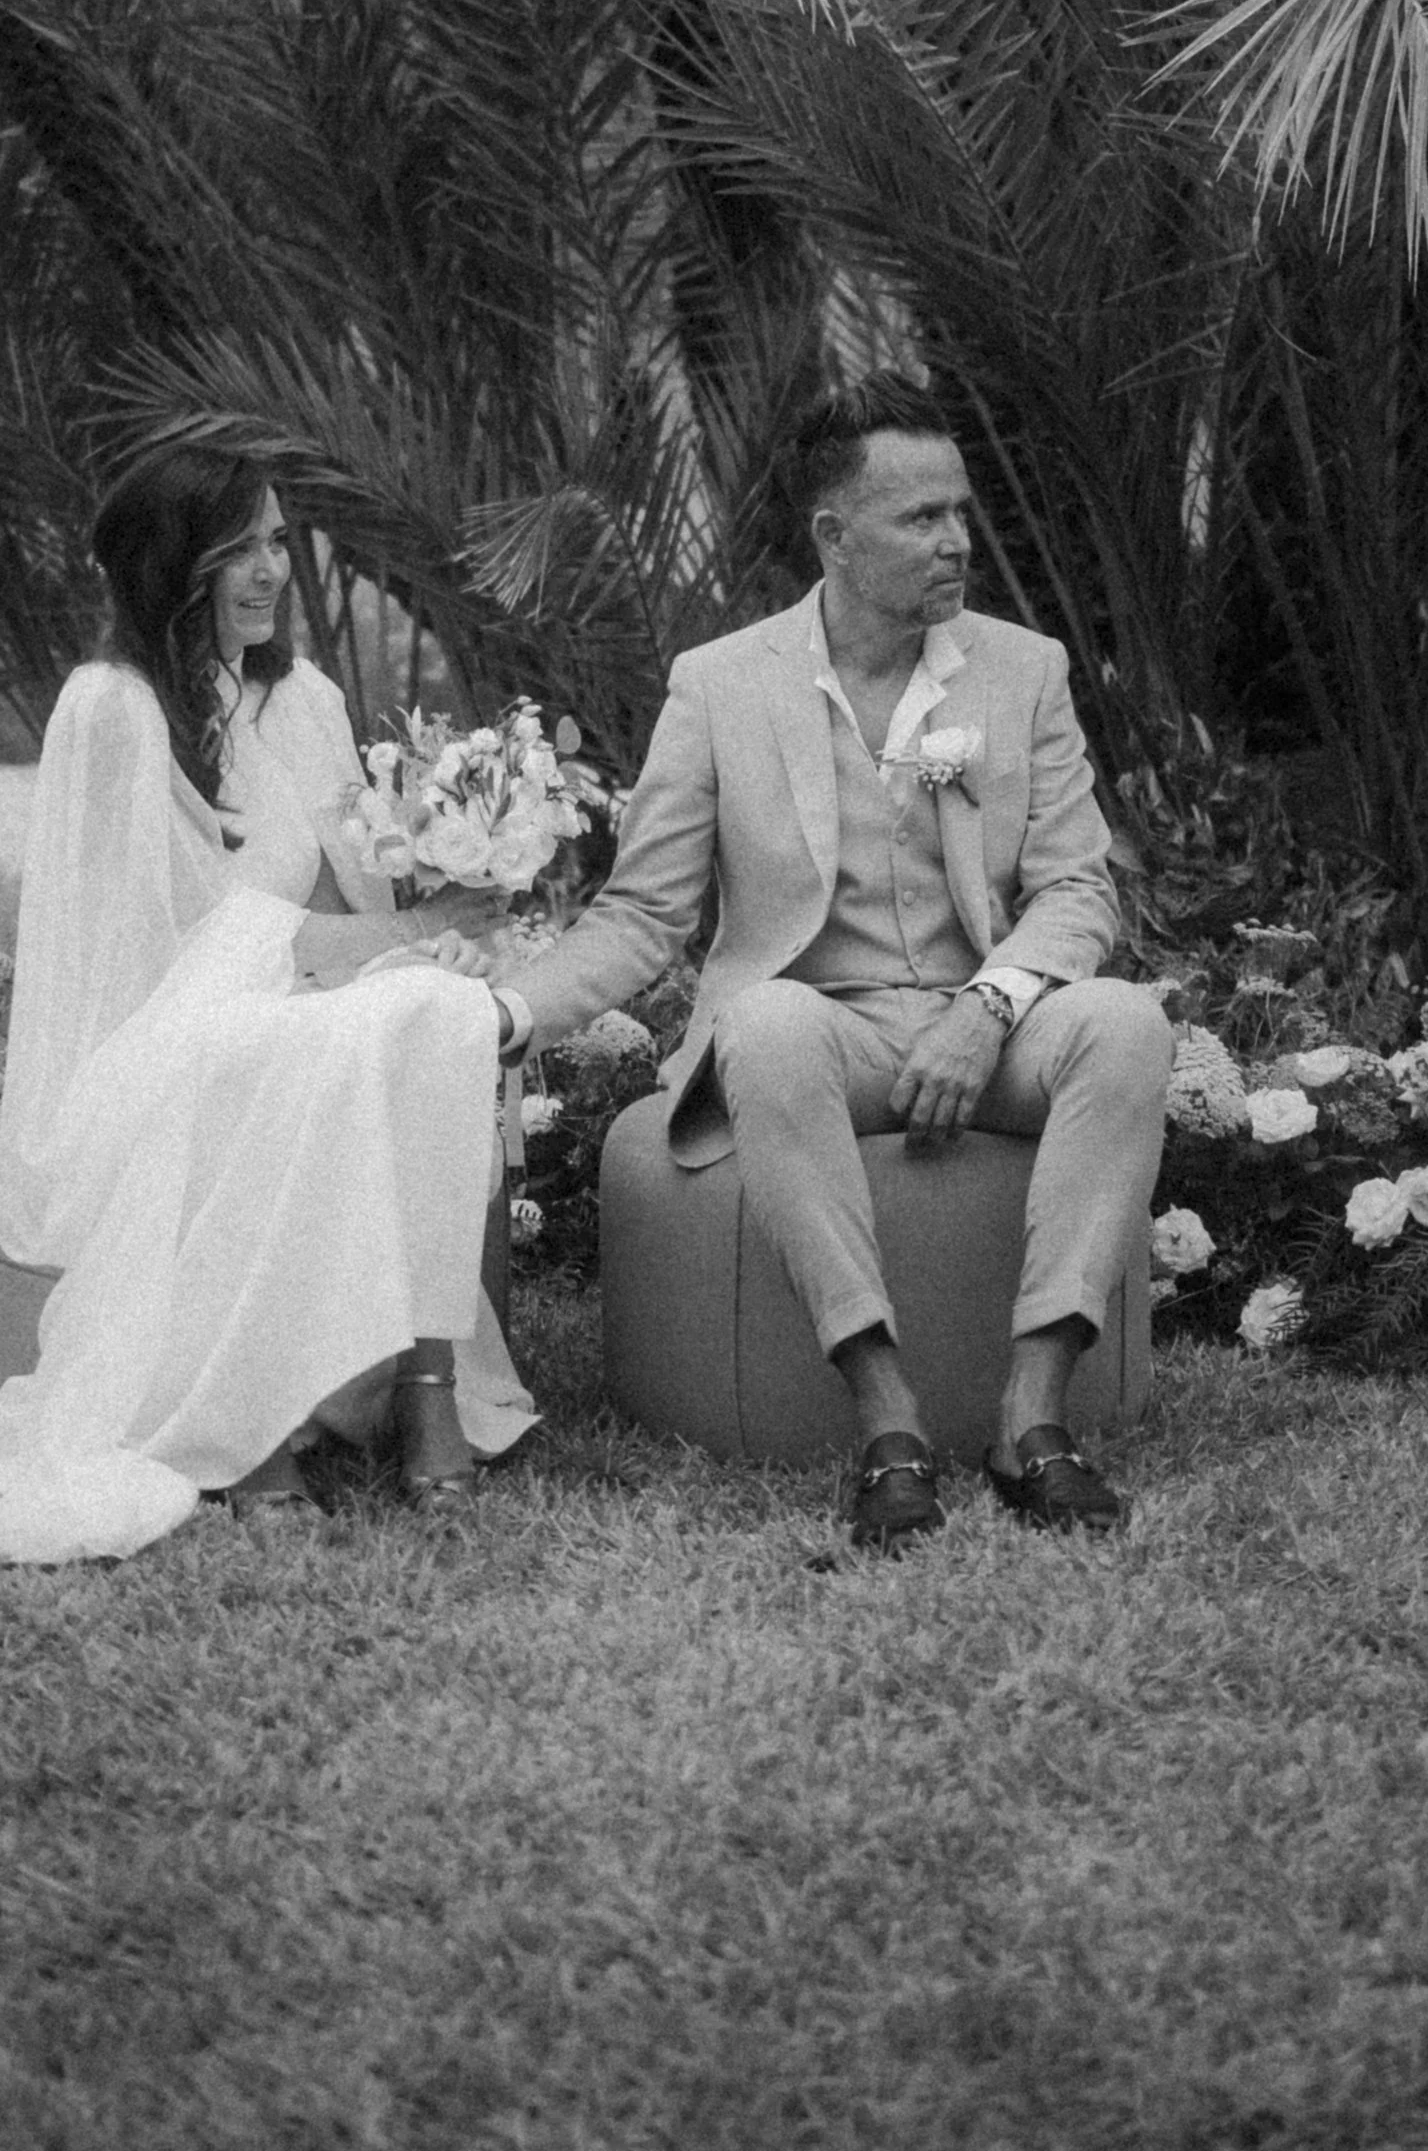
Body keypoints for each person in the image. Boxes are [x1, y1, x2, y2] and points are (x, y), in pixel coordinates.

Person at [0, 444, 535, 1569]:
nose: (268, 572)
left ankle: (428, 1383)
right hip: (156, 1035)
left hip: (288, 996)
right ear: (172, 566)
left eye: (274, 544)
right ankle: (246, 1424)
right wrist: (378, 947)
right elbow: (163, 947)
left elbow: (354, 898)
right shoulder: (110, 708)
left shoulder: (303, 699)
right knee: (281, 1044)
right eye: (235, 550)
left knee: (433, 1014)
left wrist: (444, 914)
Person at [499, 379, 1171, 1549]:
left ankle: (1032, 1412)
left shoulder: (1024, 669)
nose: (957, 542)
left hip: (992, 1028)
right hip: (822, 1034)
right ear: (834, 535)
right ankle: (886, 1418)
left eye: (960, 513)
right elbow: (645, 912)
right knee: (763, 1023)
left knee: (1125, 1023)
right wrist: (505, 1013)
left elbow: (1076, 890)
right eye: (921, 518)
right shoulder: (719, 684)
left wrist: (986, 1007)